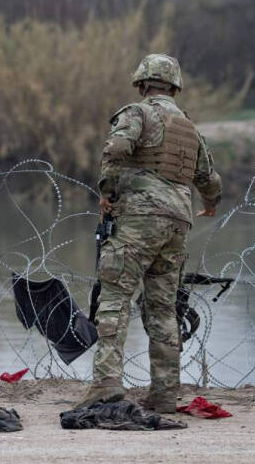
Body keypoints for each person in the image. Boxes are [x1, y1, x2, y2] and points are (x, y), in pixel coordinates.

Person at [76, 53, 222, 413]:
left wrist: (107, 192)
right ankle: (164, 394)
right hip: (177, 222)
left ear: (142, 85)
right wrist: (211, 204)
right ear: (174, 87)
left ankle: (107, 385)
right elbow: (209, 179)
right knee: (162, 308)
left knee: (114, 298)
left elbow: (117, 148)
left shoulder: (137, 113)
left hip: (139, 218)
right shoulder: (189, 127)